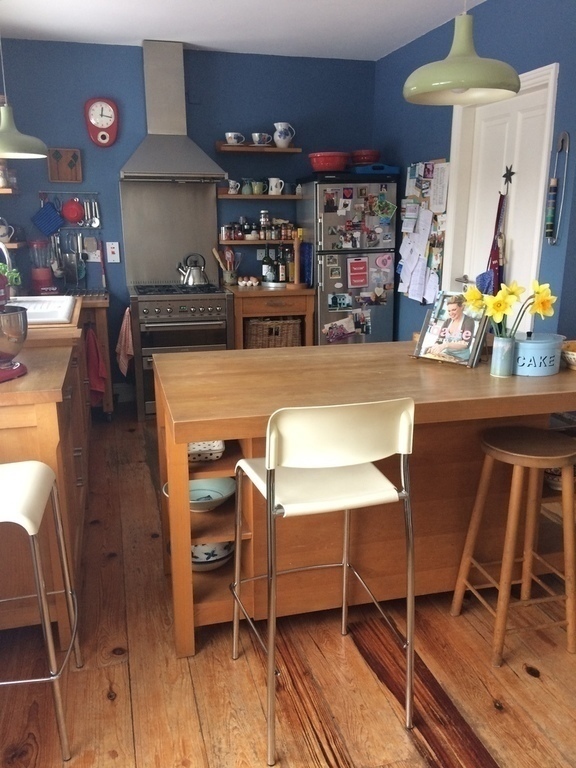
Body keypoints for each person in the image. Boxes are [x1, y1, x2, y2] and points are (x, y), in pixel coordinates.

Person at [425, 294, 475, 361]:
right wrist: (435, 347)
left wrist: (445, 345)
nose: (451, 313)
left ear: (462, 307)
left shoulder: (468, 321)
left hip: (461, 358)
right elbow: (440, 339)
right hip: (447, 355)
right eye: (449, 311)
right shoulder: (447, 322)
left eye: (454, 310)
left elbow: (466, 344)